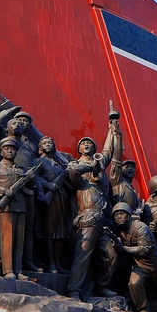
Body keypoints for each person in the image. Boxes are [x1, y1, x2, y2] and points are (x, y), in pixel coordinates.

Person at [67, 129, 118, 301]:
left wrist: (112, 128)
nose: (87, 144)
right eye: (83, 143)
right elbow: (72, 173)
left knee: (111, 255)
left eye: (90, 143)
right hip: (87, 219)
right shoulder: (82, 182)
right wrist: (89, 166)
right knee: (82, 255)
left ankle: (102, 287)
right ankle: (74, 290)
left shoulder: (100, 167)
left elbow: (108, 151)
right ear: (79, 149)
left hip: (103, 221)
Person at [0, 138, 36, 279]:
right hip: (5, 207)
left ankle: (18, 270)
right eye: (7, 148)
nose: (10, 150)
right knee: (7, 240)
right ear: (1, 151)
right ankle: (8, 271)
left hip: (21, 207)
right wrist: (4, 191)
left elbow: (29, 191)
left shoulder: (21, 169)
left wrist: (29, 178)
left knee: (19, 241)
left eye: (13, 149)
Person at [34, 136, 75, 273]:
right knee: (50, 232)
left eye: (51, 142)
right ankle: (51, 264)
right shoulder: (38, 161)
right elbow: (34, 176)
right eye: (45, 143)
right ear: (40, 149)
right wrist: (49, 185)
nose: (48, 144)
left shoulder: (59, 164)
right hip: (48, 199)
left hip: (61, 199)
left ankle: (58, 264)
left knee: (60, 233)